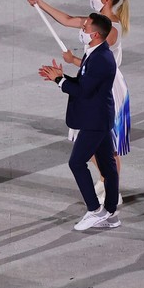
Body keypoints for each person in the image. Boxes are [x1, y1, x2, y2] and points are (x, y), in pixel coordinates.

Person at [26, 0, 131, 206]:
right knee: (91, 141)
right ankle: (106, 180)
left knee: (106, 144)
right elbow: (66, 20)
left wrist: (72, 63)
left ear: (106, 0)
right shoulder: (97, 22)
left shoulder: (110, 29)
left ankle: (112, 185)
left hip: (107, 86)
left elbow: (102, 63)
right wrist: (39, 2)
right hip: (93, 79)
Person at [39, 13, 121, 231]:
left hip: (94, 120)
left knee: (76, 163)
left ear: (94, 34)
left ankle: (95, 210)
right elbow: (85, 83)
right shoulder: (94, 53)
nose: (82, 30)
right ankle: (111, 214)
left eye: (85, 28)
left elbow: (83, 91)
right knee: (108, 167)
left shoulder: (101, 59)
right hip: (99, 117)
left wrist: (59, 80)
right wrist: (62, 77)